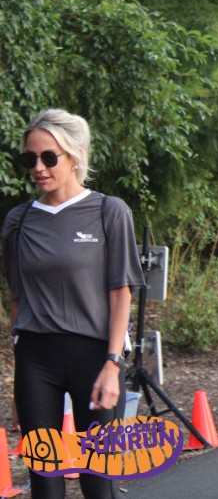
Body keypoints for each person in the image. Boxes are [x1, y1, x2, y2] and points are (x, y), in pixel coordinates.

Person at [3, 109, 144, 499]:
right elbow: (17, 299)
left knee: (97, 482)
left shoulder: (108, 211)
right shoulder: (18, 221)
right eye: (30, 158)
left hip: (94, 358)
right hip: (35, 359)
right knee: (45, 484)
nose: (38, 168)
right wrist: (19, 382)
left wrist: (113, 365)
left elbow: (121, 294)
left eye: (49, 157)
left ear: (75, 156)